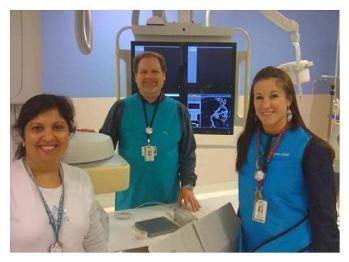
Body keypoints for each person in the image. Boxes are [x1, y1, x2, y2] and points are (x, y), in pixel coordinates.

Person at [235, 66, 339, 252]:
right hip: (249, 246)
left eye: (274, 96)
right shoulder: (246, 142)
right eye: (259, 97)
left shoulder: (312, 149)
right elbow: (246, 197)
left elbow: (325, 218)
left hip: (292, 248)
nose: (265, 105)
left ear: (289, 99)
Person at [100, 51, 201, 212]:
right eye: (143, 72)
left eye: (155, 71)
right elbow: (103, 148)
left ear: (164, 76)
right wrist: (89, 140)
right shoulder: (121, 108)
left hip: (168, 201)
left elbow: (187, 154)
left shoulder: (178, 110)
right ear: (135, 77)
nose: (149, 77)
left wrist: (187, 186)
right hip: (129, 203)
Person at [11, 94, 109, 252]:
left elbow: (95, 243)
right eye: (37, 128)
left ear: (69, 133)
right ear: (23, 135)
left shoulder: (81, 179)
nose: (49, 137)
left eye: (58, 127)